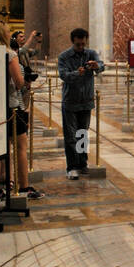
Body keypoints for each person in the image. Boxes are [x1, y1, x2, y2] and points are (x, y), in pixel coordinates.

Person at [0, 21, 41, 201]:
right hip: (11, 106)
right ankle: (23, 186)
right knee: (20, 147)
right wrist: (26, 82)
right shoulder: (9, 54)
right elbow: (18, 82)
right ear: (4, 35)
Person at [58, 28, 105, 179]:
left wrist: (96, 66)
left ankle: (82, 163)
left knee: (82, 134)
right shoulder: (64, 56)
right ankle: (72, 167)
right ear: (73, 42)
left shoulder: (90, 53)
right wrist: (76, 73)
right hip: (70, 101)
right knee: (70, 136)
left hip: (86, 101)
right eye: (78, 44)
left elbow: (101, 65)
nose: (80, 47)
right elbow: (63, 75)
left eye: (83, 44)